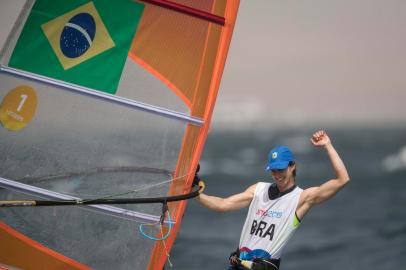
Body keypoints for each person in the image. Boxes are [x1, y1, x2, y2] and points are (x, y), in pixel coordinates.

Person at [195, 130, 350, 270]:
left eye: (281, 169)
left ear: (292, 166)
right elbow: (223, 204)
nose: (277, 175)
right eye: (273, 171)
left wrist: (327, 145)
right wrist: (195, 194)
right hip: (238, 265)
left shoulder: (302, 199)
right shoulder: (258, 189)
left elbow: (342, 179)